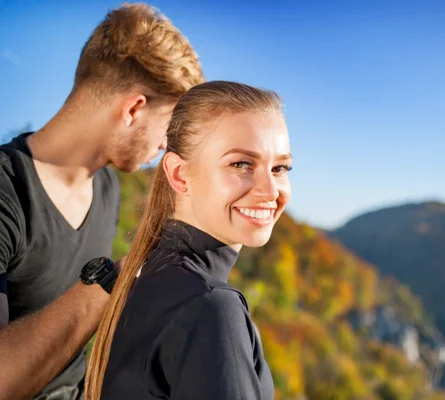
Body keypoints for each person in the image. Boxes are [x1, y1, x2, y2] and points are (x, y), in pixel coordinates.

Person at [0, 4, 204, 399]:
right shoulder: (6, 193)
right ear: (133, 109)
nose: (167, 147)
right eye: (170, 130)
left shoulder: (107, 187)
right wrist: (112, 280)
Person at [84, 81, 291, 400]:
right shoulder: (209, 307)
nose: (271, 189)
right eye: (241, 164)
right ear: (179, 175)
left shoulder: (151, 274)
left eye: (280, 167)